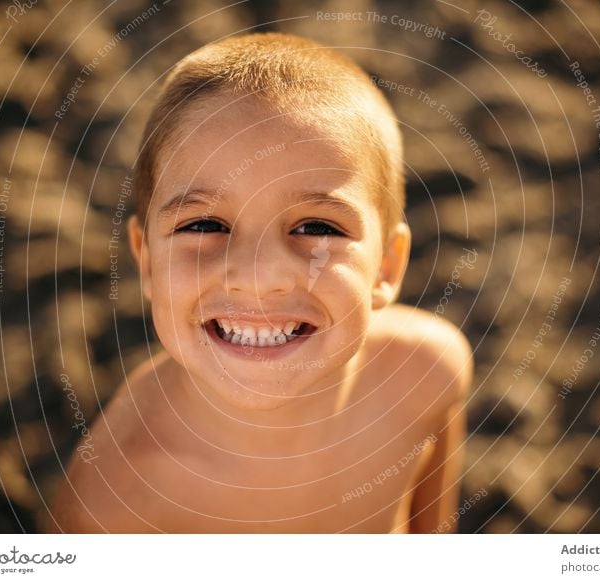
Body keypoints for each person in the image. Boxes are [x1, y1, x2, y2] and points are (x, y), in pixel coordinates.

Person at [49, 32, 472, 533]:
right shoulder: (115, 499)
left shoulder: (425, 374)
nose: (260, 276)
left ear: (386, 266)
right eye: (203, 224)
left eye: (317, 227)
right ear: (146, 261)